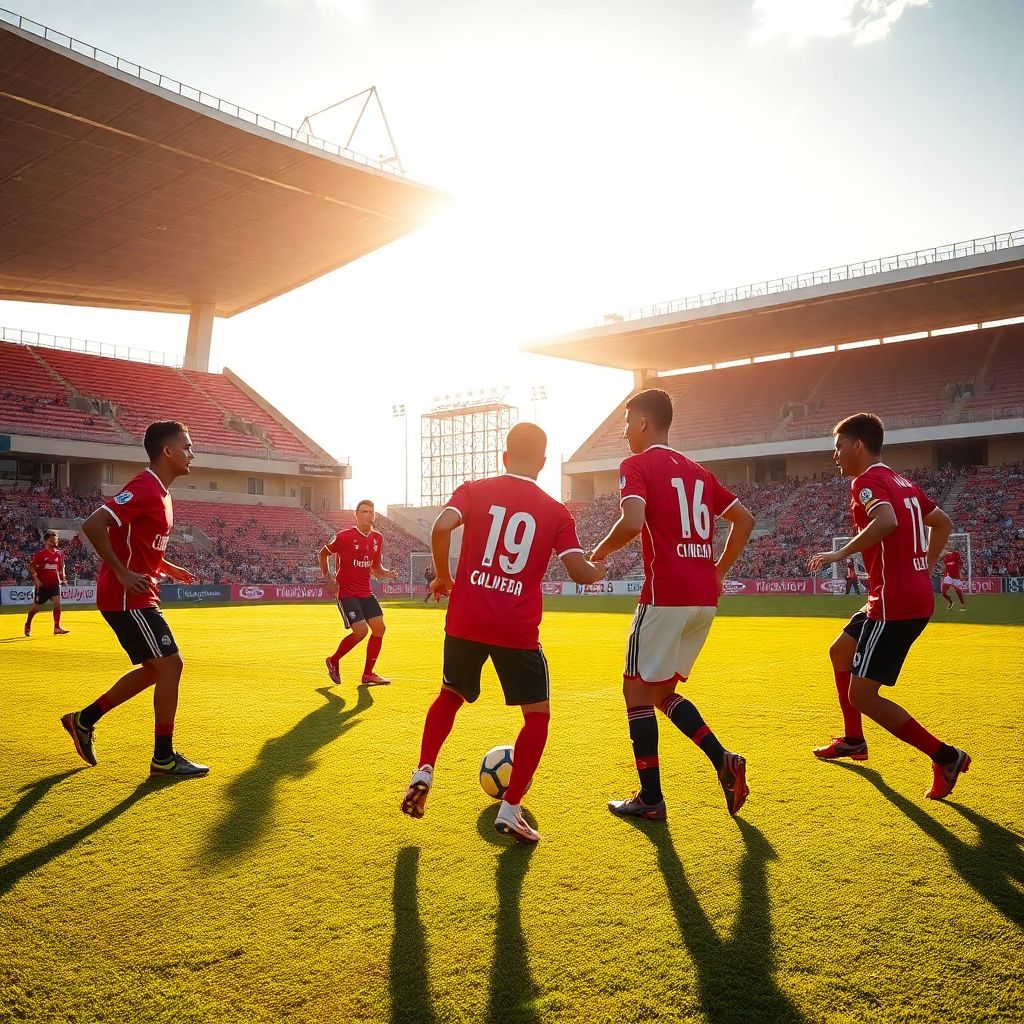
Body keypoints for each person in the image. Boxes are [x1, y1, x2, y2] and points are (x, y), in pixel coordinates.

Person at [400, 422, 605, 844]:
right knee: (537, 717)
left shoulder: (474, 490)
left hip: (466, 618)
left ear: (505, 457)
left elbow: (440, 528)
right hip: (515, 627)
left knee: (449, 697)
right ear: (544, 464)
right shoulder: (555, 511)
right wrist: (601, 562)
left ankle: (424, 769)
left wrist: (443, 577)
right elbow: (580, 572)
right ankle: (510, 808)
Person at [589, 389, 755, 820]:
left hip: (666, 594)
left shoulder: (637, 465)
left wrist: (599, 554)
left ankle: (650, 799)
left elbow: (631, 521)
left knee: (634, 690)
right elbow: (745, 519)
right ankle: (723, 760)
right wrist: (717, 571)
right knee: (662, 691)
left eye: (627, 423)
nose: (625, 433)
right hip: (703, 597)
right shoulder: (699, 472)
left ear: (643, 423)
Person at [808, 413, 969, 799]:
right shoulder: (903, 481)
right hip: (893, 594)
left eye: (839, 446)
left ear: (858, 445)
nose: (835, 455)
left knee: (862, 695)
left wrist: (840, 553)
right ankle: (853, 740)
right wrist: (923, 566)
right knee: (839, 651)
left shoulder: (867, 481)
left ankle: (946, 756)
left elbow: (886, 521)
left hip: (894, 603)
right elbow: (942, 522)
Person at [61, 421, 208, 778]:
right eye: (187, 446)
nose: (192, 453)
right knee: (171, 666)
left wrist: (169, 569)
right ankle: (163, 758)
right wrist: (123, 573)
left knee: (154, 670)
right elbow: (93, 524)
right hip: (127, 596)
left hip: (138, 594)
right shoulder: (144, 487)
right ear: (167, 451)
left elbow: (144, 545)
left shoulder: (163, 494)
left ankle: (83, 720)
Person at [319, 500, 398, 686]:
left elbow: (376, 568)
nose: (369, 515)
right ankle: (333, 660)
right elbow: (323, 554)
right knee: (361, 631)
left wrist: (386, 573)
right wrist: (327, 577)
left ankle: (368, 674)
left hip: (366, 592)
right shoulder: (343, 537)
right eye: (365, 511)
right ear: (356, 515)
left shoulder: (378, 538)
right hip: (347, 592)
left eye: (372, 512)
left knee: (380, 629)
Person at [25, 529, 69, 636]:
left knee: (57, 604)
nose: (55, 541)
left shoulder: (59, 554)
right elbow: (31, 566)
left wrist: (63, 576)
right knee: (36, 608)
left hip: (54, 584)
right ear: (46, 541)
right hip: (42, 586)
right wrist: (36, 579)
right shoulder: (40, 554)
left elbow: (61, 566)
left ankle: (57, 627)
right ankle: (28, 624)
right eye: (53, 539)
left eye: (56, 539)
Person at [940, 545, 966, 611]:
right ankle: (950, 602)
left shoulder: (956, 554)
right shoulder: (945, 558)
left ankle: (962, 604)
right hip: (948, 576)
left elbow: (958, 561)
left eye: (950, 547)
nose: (949, 548)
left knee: (959, 592)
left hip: (956, 576)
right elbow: (946, 566)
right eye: (948, 547)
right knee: (943, 592)